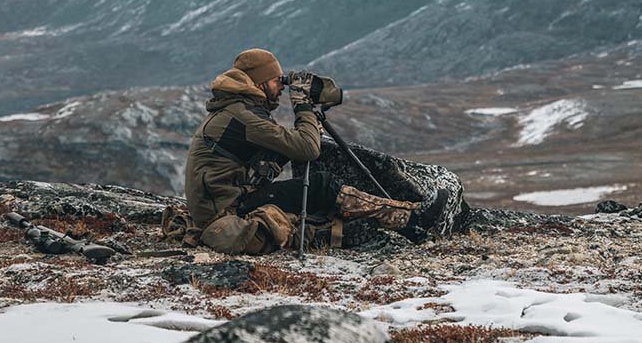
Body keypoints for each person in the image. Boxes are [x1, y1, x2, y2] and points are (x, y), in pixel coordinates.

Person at [183, 48, 445, 254]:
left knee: (313, 189)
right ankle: (409, 219)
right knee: (320, 185)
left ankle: (406, 212)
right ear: (260, 83)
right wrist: (303, 109)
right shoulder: (243, 118)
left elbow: (287, 148)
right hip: (226, 212)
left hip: (222, 203)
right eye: (277, 80)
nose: (282, 87)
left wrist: (306, 122)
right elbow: (307, 149)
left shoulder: (237, 112)